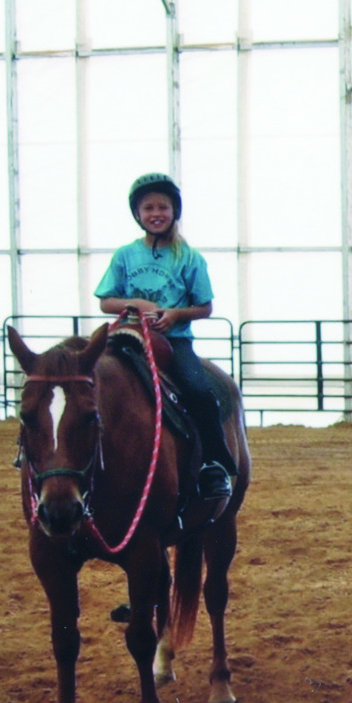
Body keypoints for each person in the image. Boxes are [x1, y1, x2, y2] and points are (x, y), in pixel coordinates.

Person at [95, 172, 237, 502]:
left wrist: (175, 315)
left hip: (174, 341)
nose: (156, 213)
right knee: (89, 382)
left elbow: (205, 307)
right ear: (137, 214)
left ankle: (214, 465)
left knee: (198, 390)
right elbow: (106, 301)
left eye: (163, 207)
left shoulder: (189, 258)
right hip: (128, 334)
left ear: (174, 212)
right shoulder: (125, 256)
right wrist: (136, 303)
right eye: (148, 208)